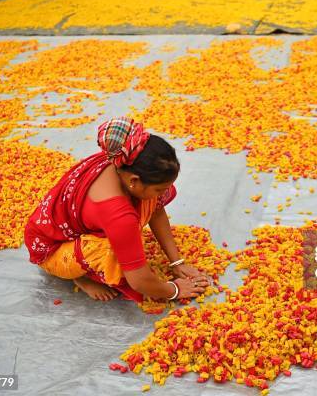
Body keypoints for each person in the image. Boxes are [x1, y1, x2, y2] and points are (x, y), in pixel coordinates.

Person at [24, 116, 209, 302]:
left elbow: (156, 208)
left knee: (147, 203)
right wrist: (174, 289)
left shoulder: (122, 162)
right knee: (108, 249)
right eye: (160, 189)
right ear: (134, 181)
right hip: (53, 249)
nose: (163, 193)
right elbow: (139, 280)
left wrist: (176, 262)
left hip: (85, 224)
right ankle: (79, 276)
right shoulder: (118, 214)